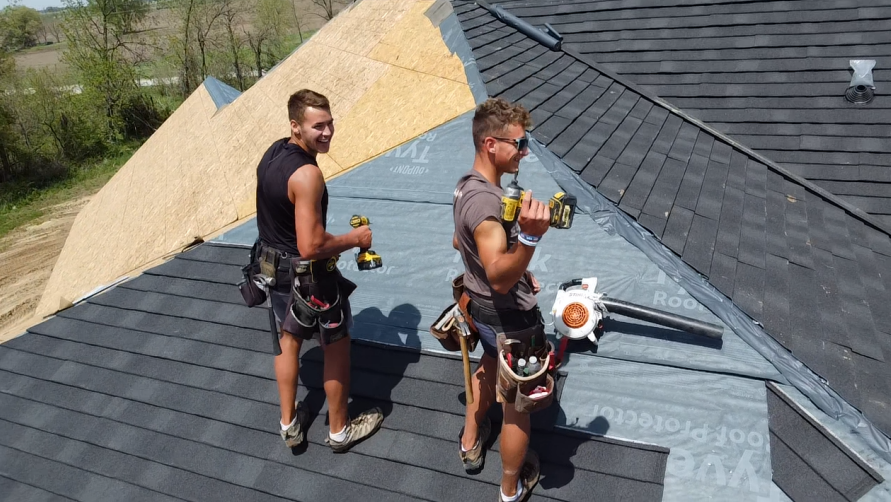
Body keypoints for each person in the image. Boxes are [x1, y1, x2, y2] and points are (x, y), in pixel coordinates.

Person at [255, 89, 383, 452]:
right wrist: (355, 239)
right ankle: (340, 431)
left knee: (287, 343)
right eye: (317, 126)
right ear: (296, 127)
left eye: (329, 123)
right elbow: (311, 245)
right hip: (307, 275)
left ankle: (289, 423)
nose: (327, 132)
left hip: (273, 269)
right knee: (337, 347)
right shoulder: (308, 174)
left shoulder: (273, 154)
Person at [452, 97, 551, 502]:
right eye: (519, 143)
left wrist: (514, 261)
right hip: (512, 320)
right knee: (517, 406)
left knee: (488, 363)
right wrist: (527, 240)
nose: (524, 151)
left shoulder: (466, 188)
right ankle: (510, 486)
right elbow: (497, 275)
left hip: (480, 310)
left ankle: (471, 438)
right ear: (491, 144)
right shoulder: (488, 202)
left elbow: (462, 242)